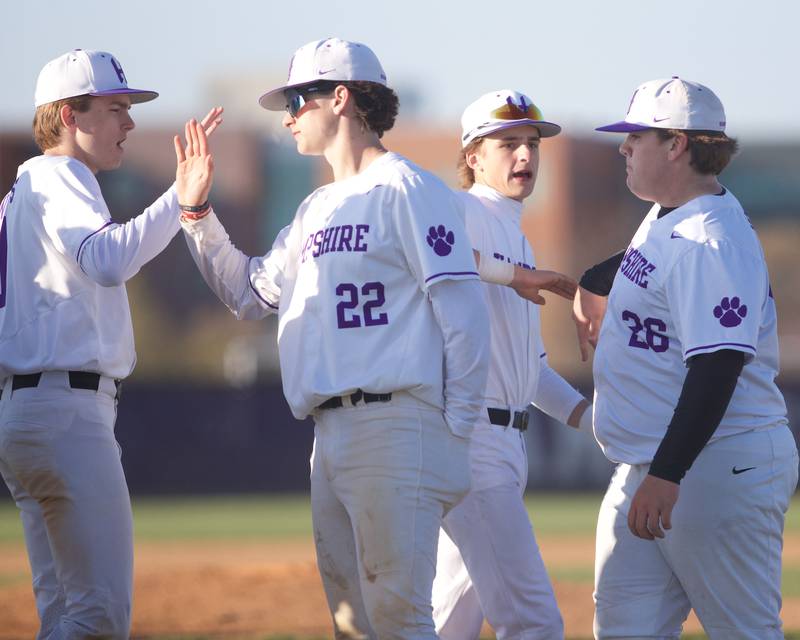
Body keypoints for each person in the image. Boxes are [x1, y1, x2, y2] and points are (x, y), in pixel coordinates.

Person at [179, 37, 492, 638]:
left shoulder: (409, 188)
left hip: (397, 424)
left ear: (341, 98)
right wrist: (197, 216)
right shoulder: (314, 207)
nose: (289, 115)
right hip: (331, 432)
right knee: (352, 620)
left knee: (400, 615)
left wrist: (455, 428)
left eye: (298, 99)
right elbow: (249, 295)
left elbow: (464, 315)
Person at [0, 49, 220, 638]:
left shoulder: (20, 193)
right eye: (116, 108)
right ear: (70, 115)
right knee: (98, 618)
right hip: (65, 414)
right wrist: (180, 197)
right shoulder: (57, 173)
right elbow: (107, 259)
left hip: (26, 410)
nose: (129, 122)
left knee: (63, 616)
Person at [579, 77, 798, 639]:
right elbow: (642, 265)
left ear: (676, 145)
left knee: (741, 631)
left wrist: (667, 474)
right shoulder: (668, 213)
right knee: (624, 628)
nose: (624, 147)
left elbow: (718, 366)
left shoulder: (711, 241)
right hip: (655, 464)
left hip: (714, 463)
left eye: (637, 137)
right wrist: (588, 282)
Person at [430, 90, 592, 640]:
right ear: (473, 156)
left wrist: (592, 422)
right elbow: (422, 249)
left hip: (503, 444)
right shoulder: (461, 209)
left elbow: (533, 371)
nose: (525, 156)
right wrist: (515, 274)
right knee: (534, 621)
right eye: (507, 144)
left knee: (448, 622)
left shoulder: (516, 232)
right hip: (471, 440)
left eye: (531, 143)